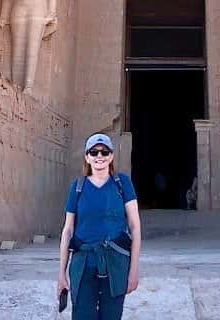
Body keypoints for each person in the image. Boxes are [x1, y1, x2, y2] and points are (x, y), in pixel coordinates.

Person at [58, 134, 141, 319]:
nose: (99, 156)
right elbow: (68, 230)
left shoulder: (122, 183)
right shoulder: (77, 187)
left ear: (111, 156)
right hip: (83, 264)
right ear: (87, 157)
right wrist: (61, 273)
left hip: (116, 264)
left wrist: (134, 269)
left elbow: (135, 227)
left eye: (104, 152)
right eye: (94, 152)